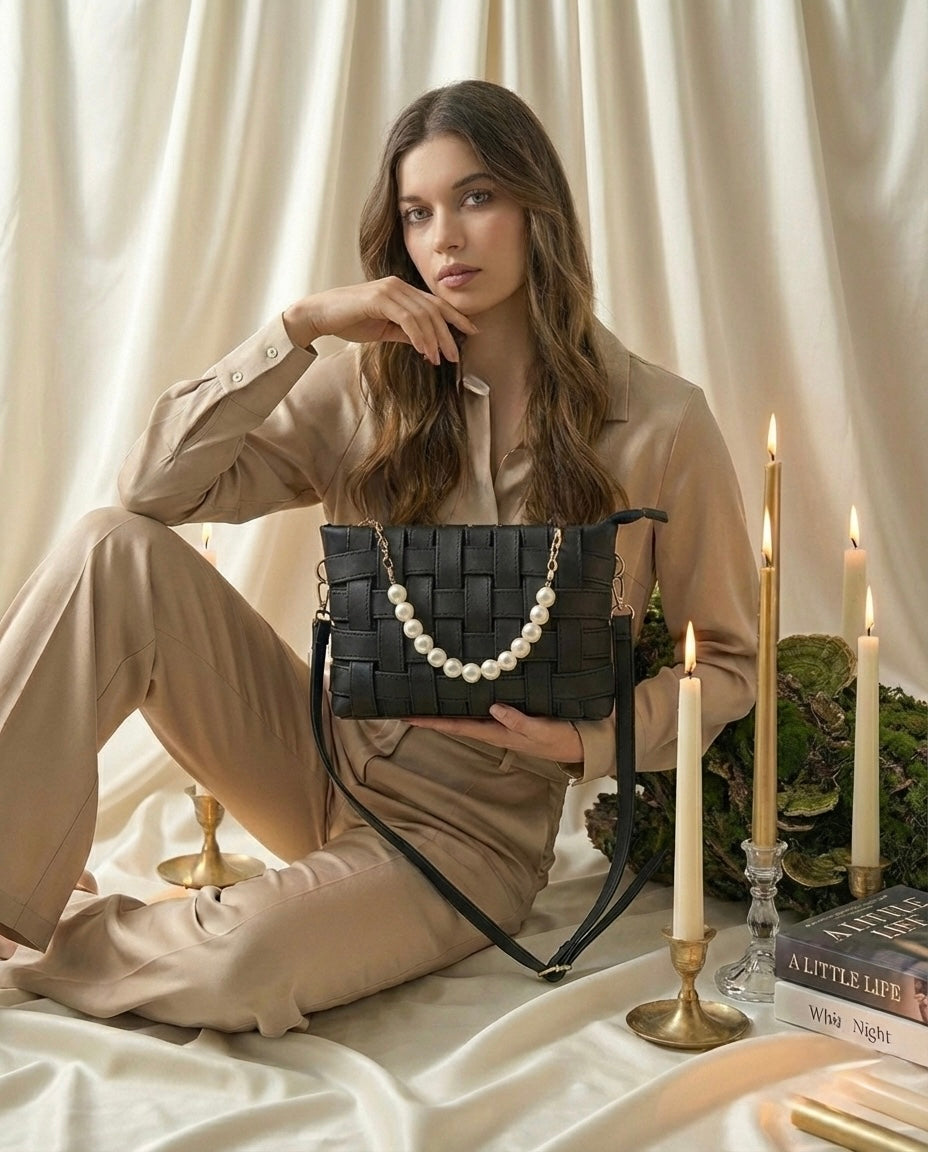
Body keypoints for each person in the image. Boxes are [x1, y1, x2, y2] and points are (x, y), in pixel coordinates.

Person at [0, 80, 757, 1035]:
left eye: (477, 198)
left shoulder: (662, 424)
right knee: (108, 546)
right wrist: (298, 327)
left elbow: (728, 666)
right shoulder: (364, 390)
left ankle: (59, 938)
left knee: (245, 964)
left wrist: (584, 745)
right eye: (418, 212)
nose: (446, 237)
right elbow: (154, 488)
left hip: (465, 841)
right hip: (311, 755)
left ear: (538, 210)